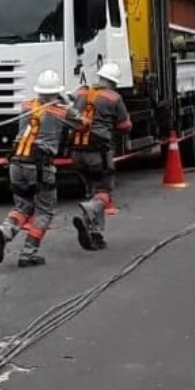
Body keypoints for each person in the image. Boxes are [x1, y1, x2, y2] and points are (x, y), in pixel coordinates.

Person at [0, 69, 87, 268]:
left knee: (22, 206)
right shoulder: (61, 111)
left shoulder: (26, 105)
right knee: (45, 210)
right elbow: (83, 125)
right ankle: (28, 253)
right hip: (40, 165)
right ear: (56, 92)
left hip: (16, 161)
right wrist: (68, 104)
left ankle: (4, 231)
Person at [70, 62, 132, 251]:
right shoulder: (114, 98)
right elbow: (125, 125)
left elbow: (69, 111)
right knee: (104, 190)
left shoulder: (81, 92)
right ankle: (88, 211)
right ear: (113, 82)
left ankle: (95, 234)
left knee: (92, 191)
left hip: (77, 151)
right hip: (99, 152)